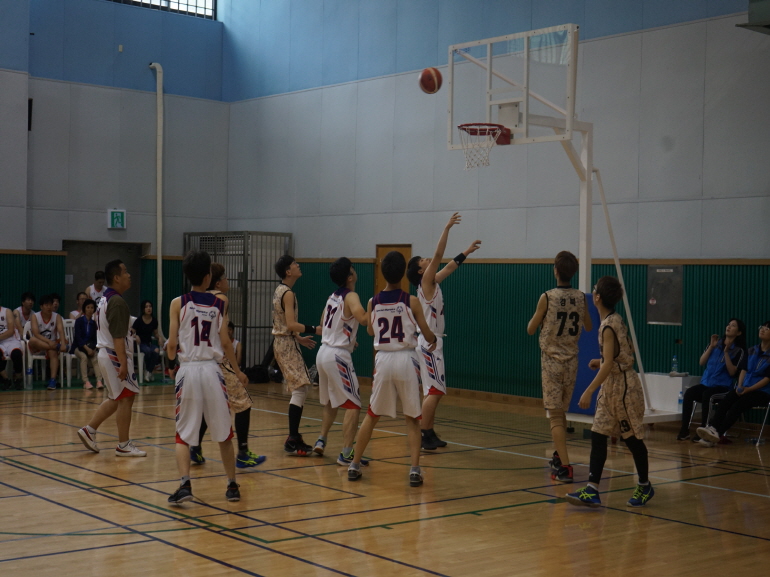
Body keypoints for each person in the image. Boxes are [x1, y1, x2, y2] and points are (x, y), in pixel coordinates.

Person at [165, 250, 248, 505]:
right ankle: (232, 485)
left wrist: (171, 361)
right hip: (212, 370)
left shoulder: (177, 303)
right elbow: (226, 342)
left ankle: (185, 485)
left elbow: (171, 344)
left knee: (183, 433)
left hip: (188, 369)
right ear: (208, 276)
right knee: (224, 431)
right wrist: (237, 371)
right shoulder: (219, 304)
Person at [348, 251, 437, 487]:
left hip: (384, 359)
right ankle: (415, 470)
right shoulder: (411, 301)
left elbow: (370, 331)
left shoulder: (373, 301)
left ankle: (354, 464)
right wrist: (433, 340)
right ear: (403, 273)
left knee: (372, 415)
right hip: (406, 359)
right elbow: (426, 332)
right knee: (412, 418)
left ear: (383, 273)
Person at [566, 276, 653, 508]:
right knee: (598, 434)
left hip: (624, 388)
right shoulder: (614, 319)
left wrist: (588, 390)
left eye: (594, 290)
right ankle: (592, 489)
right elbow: (620, 352)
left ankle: (645, 485)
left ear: (597, 297)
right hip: (612, 385)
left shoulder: (608, 325)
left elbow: (610, 364)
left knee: (632, 438)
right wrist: (602, 360)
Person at [406, 213, 481, 451]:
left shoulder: (432, 282)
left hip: (432, 342)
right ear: (421, 272)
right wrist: (447, 228)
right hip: (430, 343)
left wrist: (466, 252)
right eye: (423, 261)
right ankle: (424, 433)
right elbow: (439, 256)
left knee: (433, 390)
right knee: (435, 391)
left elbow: (449, 266)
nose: (428, 260)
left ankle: (428, 431)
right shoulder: (426, 282)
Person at [190, 263, 265, 470]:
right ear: (217, 282)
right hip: (219, 361)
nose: (227, 281)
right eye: (225, 278)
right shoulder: (221, 299)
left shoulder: (194, 299)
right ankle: (242, 453)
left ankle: (194, 446)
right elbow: (225, 341)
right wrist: (238, 370)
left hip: (198, 361)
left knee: (208, 406)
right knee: (243, 403)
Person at [527, 250, 592, 483]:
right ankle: (559, 454)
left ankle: (565, 467)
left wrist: (545, 321)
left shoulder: (547, 297)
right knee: (561, 412)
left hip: (552, 361)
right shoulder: (581, 297)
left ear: (555, 271)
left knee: (554, 416)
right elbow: (588, 326)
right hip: (572, 361)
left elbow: (530, 329)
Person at [76, 260, 145, 457]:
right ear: (116, 277)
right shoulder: (117, 302)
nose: (129, 275)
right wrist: (123, 363)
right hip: (114, 354)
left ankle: (89, 430)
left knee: (116, 398)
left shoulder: (106, 299)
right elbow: (117, 337)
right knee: (126, 398)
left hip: (106, 353)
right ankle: (123, 445)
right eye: (125, 272)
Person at [312, 257, 371, 466]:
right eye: (353, 268)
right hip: (337, 355)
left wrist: (347, 337)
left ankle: (321, 439)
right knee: (353, 405)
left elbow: (323, 323)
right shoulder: (351, 295)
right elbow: (363, 319)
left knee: (331, 401)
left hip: (323, 352)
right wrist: (374, 305)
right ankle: (346, 453)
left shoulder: (332, 296)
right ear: (350, 276)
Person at [272, 255, 322, 456]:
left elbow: (284, 323)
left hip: (285, 341)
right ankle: (292, 438)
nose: (298, 265)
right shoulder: (288, 293)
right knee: (300, 388)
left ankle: (294, 436)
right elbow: (291, 324)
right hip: (285, 344)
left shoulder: (280, 290)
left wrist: (298, 338)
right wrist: (315, 329)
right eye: (294, 264)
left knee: (300, 388)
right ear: (288, 271)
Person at [697, 322, 770, 444]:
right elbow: (744, 369)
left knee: (738, 405)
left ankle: (717, 434)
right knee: (727, 400)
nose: (763, 330)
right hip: (744, 387)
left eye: (767, 329)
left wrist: (749, 389)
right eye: (762, 327)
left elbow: (767, 379)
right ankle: (712, 428)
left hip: (761, 392)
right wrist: (740, 385)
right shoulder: (752, 350)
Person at [677, 318, 747, 445]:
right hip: (706, 383)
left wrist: (726, 353)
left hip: (723, 387)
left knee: (707, 395)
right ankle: (684, 430)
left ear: (739, 332)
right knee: (689, 393)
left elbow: (732, 372)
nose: (729, 327)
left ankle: (704, 430)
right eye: (728, 324)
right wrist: (711, 347)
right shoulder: (716, 344)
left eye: (733, 325)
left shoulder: (739, 350)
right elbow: (701, 362)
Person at [28, 294, 67, 390]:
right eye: (46, 305)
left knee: (53, 352)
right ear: (41, 306)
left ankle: (52, 380)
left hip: (51, 346)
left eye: (50, 305)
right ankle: (56, 347)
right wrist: (50, 342)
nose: (49, 307)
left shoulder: (57, 316)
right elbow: (36, 334)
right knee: (32, 340)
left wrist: (63, 343)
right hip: (40, 345)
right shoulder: (35, 316)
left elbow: (61, 331)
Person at [72, 299, 103, 390]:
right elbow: (78, 338)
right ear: (84, 309)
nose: (90, 309)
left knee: (95, 358)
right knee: (84, 357)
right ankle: (86, 381)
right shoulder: (79, 321)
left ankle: (99, 381)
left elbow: (95, 338)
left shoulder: (94, 324)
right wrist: (87, 348)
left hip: (91, 347)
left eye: (92, 308)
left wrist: (93, 349)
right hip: (79, 347)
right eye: (88, 307)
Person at [132, 301, 164, 382]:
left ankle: (148, 371)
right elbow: (131, 332)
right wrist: (136, 336)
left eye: (150, 306)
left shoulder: (154, 321)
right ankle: (149, 371)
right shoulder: (139, 320)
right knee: (148, 351)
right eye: (146, 307)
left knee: (156, 350)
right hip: (140, 344)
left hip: (149, 343)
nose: (149, 308)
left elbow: (155, 333)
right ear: (143, 309)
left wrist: (159, 338)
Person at [0, 296, 24, 390]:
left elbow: (10, 331)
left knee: (16, 354)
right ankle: (6, 379)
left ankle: (18, 378)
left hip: (10, 340)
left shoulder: (7, 311)